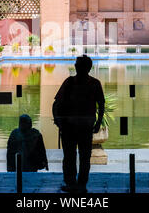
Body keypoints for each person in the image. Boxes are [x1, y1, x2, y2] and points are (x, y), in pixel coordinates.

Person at [53, 55, 105, 194]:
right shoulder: (94, 83)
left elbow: (57, 103)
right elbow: (101, 105)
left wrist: (58, 120)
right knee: (82, 157)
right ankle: (79, 185)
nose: (75, 65)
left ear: (81, 67)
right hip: (81, 126)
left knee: (72, 156)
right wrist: (98, 122)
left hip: (72, 126)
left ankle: (74, 184)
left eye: (77, 64)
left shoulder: (70, 82)